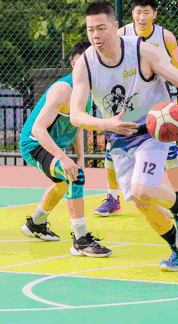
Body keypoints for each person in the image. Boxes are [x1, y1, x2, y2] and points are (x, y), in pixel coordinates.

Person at [69, 1, 178, 272]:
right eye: (90, 30)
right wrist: (106, 124)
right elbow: (76, 115)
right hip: (119, 137)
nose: (95, 35)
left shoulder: (143, 51)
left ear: (116, 26)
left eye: (101, 28)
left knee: (143, 189)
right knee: (141, 201)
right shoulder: (85, 65)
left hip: (152, 131)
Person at [96, 0, 178, 216]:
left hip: (157, 105)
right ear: (132, 14)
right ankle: (112, 198)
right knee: (112, 150)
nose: (142, 17)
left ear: (154, 14)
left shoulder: (165, 37)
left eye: (147, 13)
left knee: (170, 154)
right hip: (128, 105)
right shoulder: (121, 34)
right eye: (138, 12)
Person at [19, 42, 111, 257]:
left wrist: (81, 158)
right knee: (74, 177)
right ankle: (81, 240)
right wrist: (62, 157)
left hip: (53, 147)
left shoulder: (86, 91)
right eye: (83, 62)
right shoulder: (63, 90)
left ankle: (35, 224)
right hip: (34, 143)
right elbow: (38, 129)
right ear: (73, 64)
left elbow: (76, 125)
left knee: (62, 185)